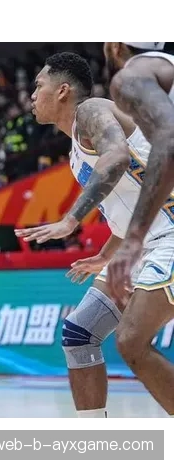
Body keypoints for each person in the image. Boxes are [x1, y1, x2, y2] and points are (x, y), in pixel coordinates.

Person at [14, 52, 148, 421]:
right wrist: (106, 254)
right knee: (80, 332)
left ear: (62, 91)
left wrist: (71, 219)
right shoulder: (75, 150)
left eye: (39, 86)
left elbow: (117, 157)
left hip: (166, 235)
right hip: (141, 244)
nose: (32, 95)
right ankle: (93, 437)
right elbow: (130, 208)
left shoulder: (92, 110)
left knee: (134, 343)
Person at [101, 41, 174, 419]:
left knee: (131, 339)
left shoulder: (132, 75)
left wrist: (132, 240)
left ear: (115, 45)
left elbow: (169, 139)